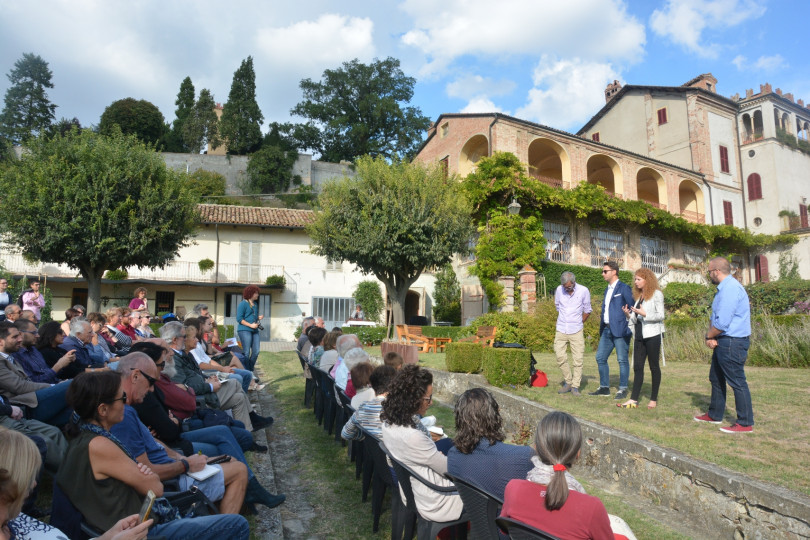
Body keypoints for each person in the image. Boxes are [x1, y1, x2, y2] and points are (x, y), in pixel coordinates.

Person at [56, 371, 250, 540]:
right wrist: (147, 475)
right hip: (140, 530)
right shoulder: (100, 445)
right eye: (121, 399)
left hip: (129, 520)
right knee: (236, 524)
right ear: (103, 410)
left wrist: (145, 474)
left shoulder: (84, 434)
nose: (126, 403)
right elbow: (155, 488)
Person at [110, 354, 249, 514]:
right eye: (151, 382)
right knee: (239, 469)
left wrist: (180, 457)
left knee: (230, 458)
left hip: (175, 465)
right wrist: (186, 465)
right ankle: (227, 525)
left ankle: (216, 519)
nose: (151, 389)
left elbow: (154, 440)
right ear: (135, 376)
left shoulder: (127, 408)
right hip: (172, 480)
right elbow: (146, 471)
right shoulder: (123, 415)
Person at [501, 411, 636, 540]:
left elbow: (505, 530)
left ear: (535, 447)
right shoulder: (591, 508)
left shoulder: (514, 489)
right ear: (578, 454)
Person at [0, 428, 154, 540]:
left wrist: (108, 537)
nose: (34, 483)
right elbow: (156, 488)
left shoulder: (14, 518)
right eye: (27, 477)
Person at [380, 365, 463, 522]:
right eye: (428, 398)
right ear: (413, 399)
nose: (430, 403)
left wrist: (433, 455)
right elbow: (449, 469)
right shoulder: (412, 436)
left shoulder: (390, 422)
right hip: (436, 500)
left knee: (448, 443)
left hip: (414, 487)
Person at [160, 322, 270, 432]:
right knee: (236, 382)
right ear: (174, 340)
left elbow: (196, 373)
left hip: (205, 391)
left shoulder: (183, 354)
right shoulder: (173, 359)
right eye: (184, 336)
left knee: (239, 398)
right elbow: (185, 387)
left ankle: (247, 432)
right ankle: (253, 418)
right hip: (201, 399)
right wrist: (210, 386)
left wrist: (207, 379)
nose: (195, 340)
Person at [694, 257, 754, 433]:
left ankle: (745, 423)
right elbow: (716, 318)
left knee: (737, 381)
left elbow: (722, 323)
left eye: (709, 271)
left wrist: (708, 335)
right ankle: (715, 414)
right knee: (716, 378)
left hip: (732, 342)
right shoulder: (724, 289)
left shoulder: (730, 289)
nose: (709, 274)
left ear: (716, 271)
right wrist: (713, 337)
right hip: (723, 340)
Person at [447, 388, 534, 500]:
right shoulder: (523, 456)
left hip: (474, 516)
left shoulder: (453, 455)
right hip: (508, 516)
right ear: (496, 415)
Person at [0, 321, 72, 428]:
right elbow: (20, 386)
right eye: (15, 337)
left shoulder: (13, 356)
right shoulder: (9, 358)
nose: (20, 339)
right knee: (76, 384)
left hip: (34, 399)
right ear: (1, 341)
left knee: (77, 413)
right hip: (24, 406)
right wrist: (55, 386)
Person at [619, 268, 665, 409]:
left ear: (647, 280)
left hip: (652, 335)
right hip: (639, 335)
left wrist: (645, 314)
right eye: (635, 279)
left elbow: (661, 315)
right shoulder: (640, 296)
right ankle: (634, 399)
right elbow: (636, 317)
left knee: (654, 366)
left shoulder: (657, 294)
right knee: (638, 367)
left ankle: (653, 398)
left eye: (639, 279)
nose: (636, 282)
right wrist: (628, 315)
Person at [589, 261, 634, 399]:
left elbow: (632, 307)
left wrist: (628, 322)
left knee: (622, 360)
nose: (602, 274)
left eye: (605, 271)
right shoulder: (607, 289)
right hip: (607, 330)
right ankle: (604, 388)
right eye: (603, 271)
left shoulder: (624, 288)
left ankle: (623, 388)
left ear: (614, 272)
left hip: (621, 330)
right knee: (600, 357)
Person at [554, 271, 592, 397]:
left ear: (574, 283)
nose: (567, 288)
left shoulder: (583, 291)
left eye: (569, 286)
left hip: (576, 329)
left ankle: (575, 386)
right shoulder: (559, 290)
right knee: (559, 356)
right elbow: (557, 306)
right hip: (561, 328)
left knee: (578, 359)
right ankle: (568, 381)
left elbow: (587, 310)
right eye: (565, 286)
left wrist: (579, 321)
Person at [341, 365, 396, 441]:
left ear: (371, 384)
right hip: (392, 451)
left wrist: (364, 438)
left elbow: (345, 434)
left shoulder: (362, 409)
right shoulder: (400, 411)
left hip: (370, 451)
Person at [12, 320, 72, 384]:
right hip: (41, 390)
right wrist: (58, 366)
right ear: (21, 334)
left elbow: (48, 372)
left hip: (54, 384)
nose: (38, 335)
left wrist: (64, 363)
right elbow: (33, 383)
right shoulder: (16, 355)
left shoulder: (33, 349)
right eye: (34, 333)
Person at [236, 285, 263, 372]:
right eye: (256, 293)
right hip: (244, 330)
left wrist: (258, 318)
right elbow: (239, 319)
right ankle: (248, 372)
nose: (257, 295)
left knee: (256, 351)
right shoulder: (243, 304)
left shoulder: (255, 304)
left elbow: (251, 316)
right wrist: (250, 325)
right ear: (250, 293)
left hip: (254, 330)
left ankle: (249, 370)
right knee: (246, 352)